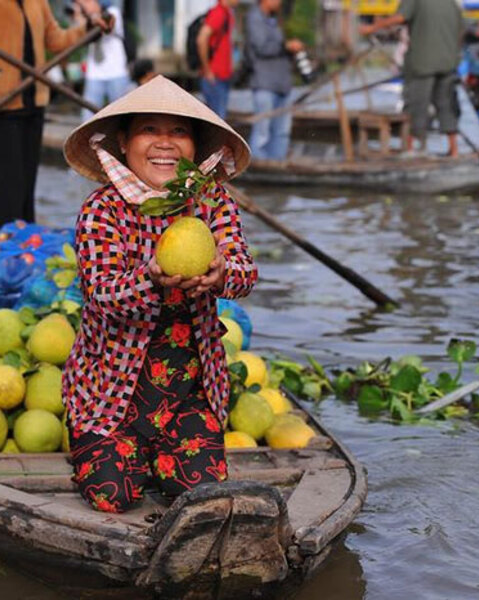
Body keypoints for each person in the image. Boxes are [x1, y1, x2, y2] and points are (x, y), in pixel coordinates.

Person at [61, 76, 256, 513]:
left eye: (179, 132)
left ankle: (161, 450)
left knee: (201, 494)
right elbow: (102, 294)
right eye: (150, 129)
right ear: (126, 142)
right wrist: (150, 276)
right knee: (112, 497)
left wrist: (223, 273)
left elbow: (245, 272)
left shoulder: (213, 203)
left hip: (188, 394)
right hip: (109, 394)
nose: (164, 144)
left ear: (195, 147)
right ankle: (105, 443)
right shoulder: (102, 210)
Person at [0, 0, 109, 233]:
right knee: (10, 194)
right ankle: (1, 252)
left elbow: (56, 39)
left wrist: (89, 28)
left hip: (32, 104)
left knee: (26, 193)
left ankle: (24, 250)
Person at [359, 0, 463, 157]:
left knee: (415, 105)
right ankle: (454, 150)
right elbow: (461, 28)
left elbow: (400, 17)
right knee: (447, 105)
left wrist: (372, 28)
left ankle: (411, 150)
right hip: (448, 62)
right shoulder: (451, 3)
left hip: (422, 62)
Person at [244, 0, 304, 161]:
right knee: (262, 130)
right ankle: (259, 164)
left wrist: (288, 48)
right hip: (265, 83)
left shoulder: (272, 19)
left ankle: (277, 163)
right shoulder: (255, 18)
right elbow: (262, 47)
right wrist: (287, 46)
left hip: (281, 83)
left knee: (281, 130)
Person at [75, 0, 132, 120]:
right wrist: (81, 18)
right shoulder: (84, 18)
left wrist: (93, 18)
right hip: (94, 74)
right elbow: (78, 37)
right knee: (88, 118)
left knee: (122, 116)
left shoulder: (112, 11)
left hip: (117, 72)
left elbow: (109, 22)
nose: (83, 6)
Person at [197, 0, 239, 118]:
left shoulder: (227, 13)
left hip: (222, 76)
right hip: (214, 77)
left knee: (220, 118)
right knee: (217, 121)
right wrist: (207, 70)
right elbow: (202, 39)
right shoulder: (218, 13)